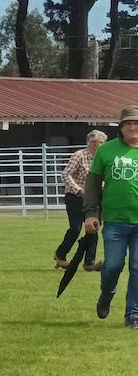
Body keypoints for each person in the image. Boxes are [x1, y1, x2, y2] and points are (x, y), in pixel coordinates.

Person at [84, 106, 138, 328]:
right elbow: (92, 185)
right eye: (128, 124)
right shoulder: (106, 151)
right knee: (113, 266)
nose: (133, 127)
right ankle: (106, 294)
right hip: (115, 221)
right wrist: (90, 214)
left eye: (136, 123)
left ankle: (133, 314)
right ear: (121, 127)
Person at [56, 130, 106, 272]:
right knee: (76, 228)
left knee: (93, 228)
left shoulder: (103, 158)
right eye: (99, 143)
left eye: (103, 143)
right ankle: (60, 254)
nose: (101, 146)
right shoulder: (79, 155)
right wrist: (78, 189)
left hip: (94, 198)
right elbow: (66, 174)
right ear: (91, 143)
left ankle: (89, 261)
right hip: (75, 197)